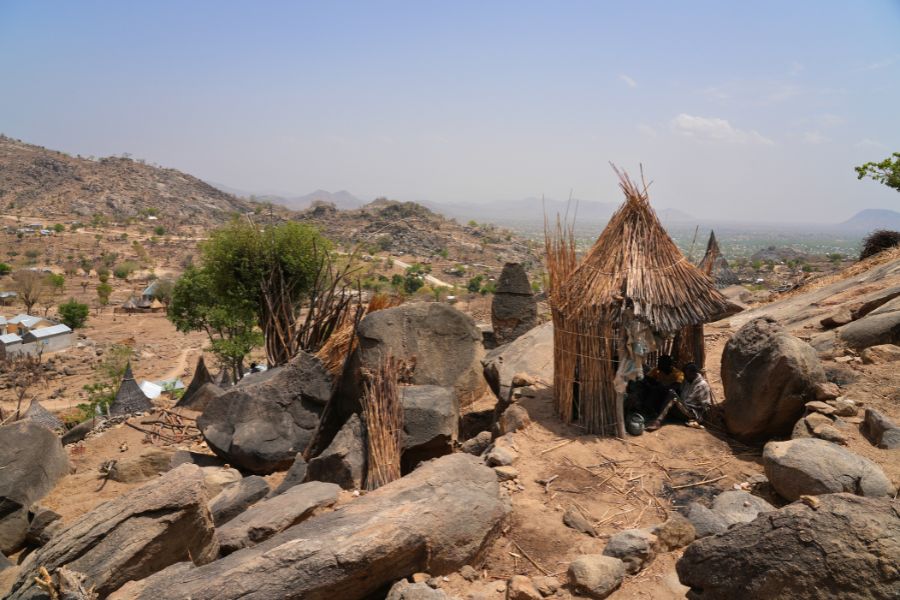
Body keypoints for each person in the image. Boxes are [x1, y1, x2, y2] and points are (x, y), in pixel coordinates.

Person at [645, 362, 711, 431]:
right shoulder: (688, 381)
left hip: (692, 413)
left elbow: (701, 405)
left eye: (687, 374)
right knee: (667, 393)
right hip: (684, 408)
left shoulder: (702, 385)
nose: (685, 376)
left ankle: (657, 421)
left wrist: (676, 400)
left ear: (693, 373)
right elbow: (680, 392)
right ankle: (655, 414)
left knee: (671, 395)